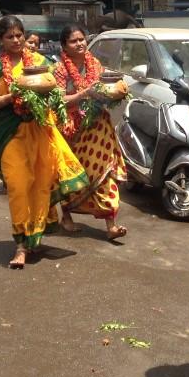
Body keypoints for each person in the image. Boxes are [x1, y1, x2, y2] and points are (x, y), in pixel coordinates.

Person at [0, 15, 88, 268]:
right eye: (10, 36)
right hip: (12, 134)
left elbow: (56, 94)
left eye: (19, 35)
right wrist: (15, 94)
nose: (16, 40)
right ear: (1, 39)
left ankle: (34, 237)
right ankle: (20, 244)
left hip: (41, 133)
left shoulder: (41, 62)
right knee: (19, 188)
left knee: (41, 185)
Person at [52, 24, 128, 240]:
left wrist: (117, 94)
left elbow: (105, 89)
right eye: (74, 41)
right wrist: (84, 93)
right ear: (64, 46)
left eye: (82, 39)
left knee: (105, 175)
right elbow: (58, 101)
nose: (80, 44)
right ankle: (66, 216)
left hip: (98, 129)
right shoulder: (59, 70)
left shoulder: (95, 63)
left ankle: (111, 224)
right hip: (73, 130)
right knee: (73, 176)